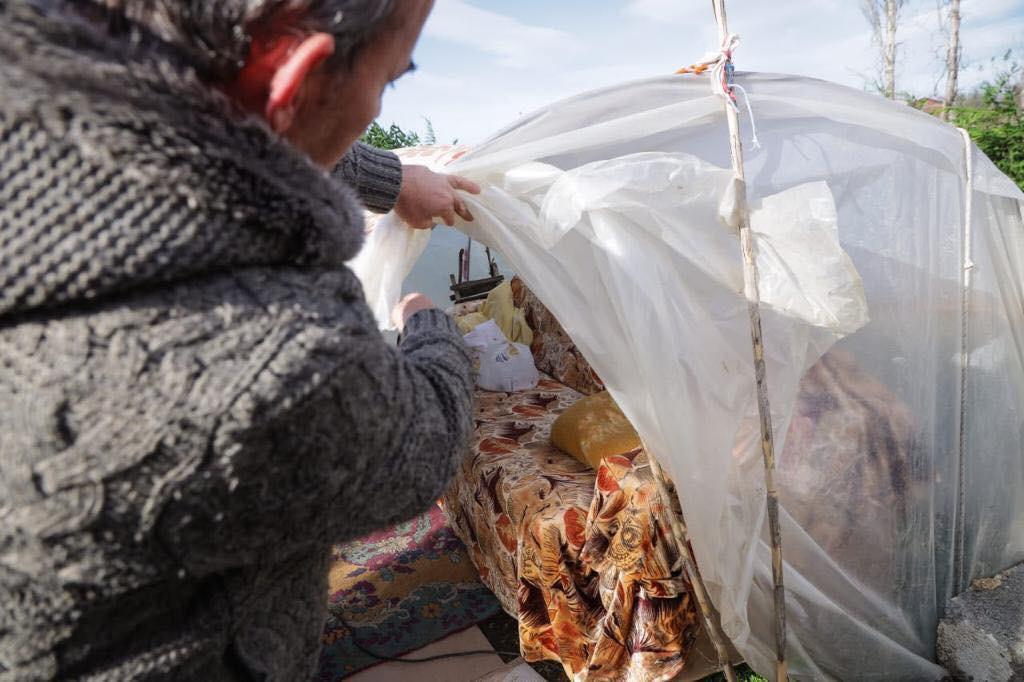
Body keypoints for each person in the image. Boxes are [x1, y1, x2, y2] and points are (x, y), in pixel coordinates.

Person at [0, 0, 480, 678]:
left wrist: (393, 179)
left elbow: (228, 115)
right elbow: (423, 443)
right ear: (297, 74)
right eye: (391, 80)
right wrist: (427, 322)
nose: (378, 104)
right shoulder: (276, 362)